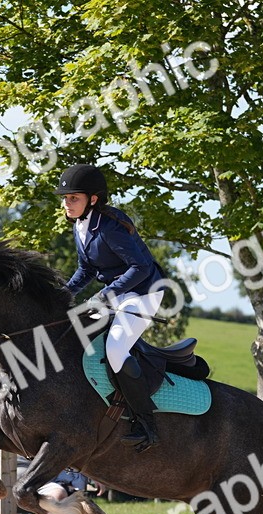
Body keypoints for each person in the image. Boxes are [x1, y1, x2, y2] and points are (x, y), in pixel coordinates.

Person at [55, 163, 167, 451]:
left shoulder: (109, 227)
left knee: (116, 349)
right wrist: (66, 292)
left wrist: (106, 295)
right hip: (117, 293)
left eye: (73, 198)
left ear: (93, 199)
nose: (67, 204)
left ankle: (147, 423)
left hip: (143, 292)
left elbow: (141, 267)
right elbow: (86, 268)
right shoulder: (82, 225)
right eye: (65, 198)